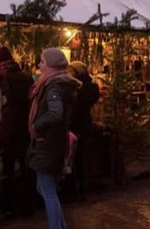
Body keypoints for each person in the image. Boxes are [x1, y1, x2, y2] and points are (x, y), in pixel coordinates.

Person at [27, 48, 81, 229]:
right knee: (44, 188)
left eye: (42, 61)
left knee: (47, 190)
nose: (39, 65)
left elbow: (55, 113)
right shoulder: (58, 83)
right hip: (53, 141)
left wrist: (36, 125)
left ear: (50, 65)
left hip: (48, 143)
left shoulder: (54, 86)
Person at [0, 46, 35, 217]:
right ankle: (28, 205)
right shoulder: (27, 77)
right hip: (25, 126)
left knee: (7, 169)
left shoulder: (2, 78)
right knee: (27, 168)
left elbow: (0, 101)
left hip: (8, 127)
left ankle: (8, 207)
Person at [66, 61, 100, 200]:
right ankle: (79, 187)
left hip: (77, 126)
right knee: (78, 157)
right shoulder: (88, 87)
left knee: (77, 157)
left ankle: (78, 188)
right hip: (83, 125)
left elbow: (77, 105)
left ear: (77, 72)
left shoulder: (84, 88)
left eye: (70, 70)